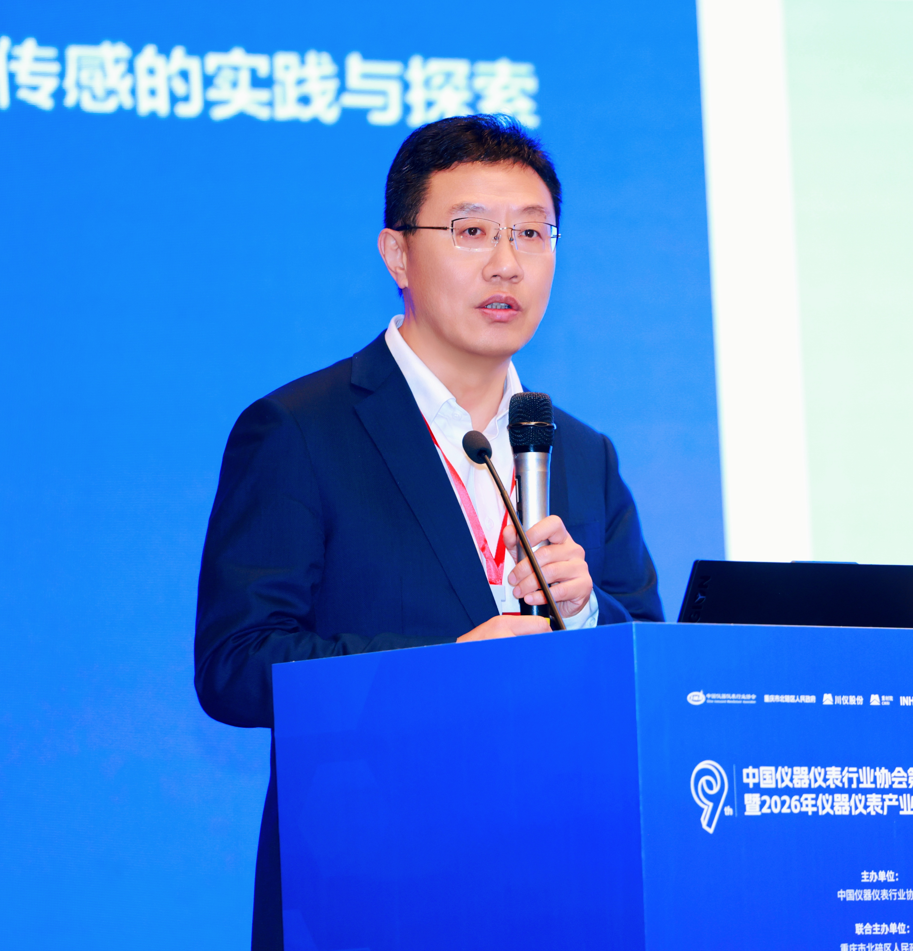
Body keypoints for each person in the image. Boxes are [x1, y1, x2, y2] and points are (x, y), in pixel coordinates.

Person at [194, 114, 663, 950]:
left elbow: (651, 668)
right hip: (373, 897)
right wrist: (444, 666)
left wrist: (588, 611)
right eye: (471, 231)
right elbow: (235, 666)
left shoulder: (581, 451)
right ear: (397, 254)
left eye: (532, 233)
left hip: (565, 892)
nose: (506, 262)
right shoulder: (301, 430)